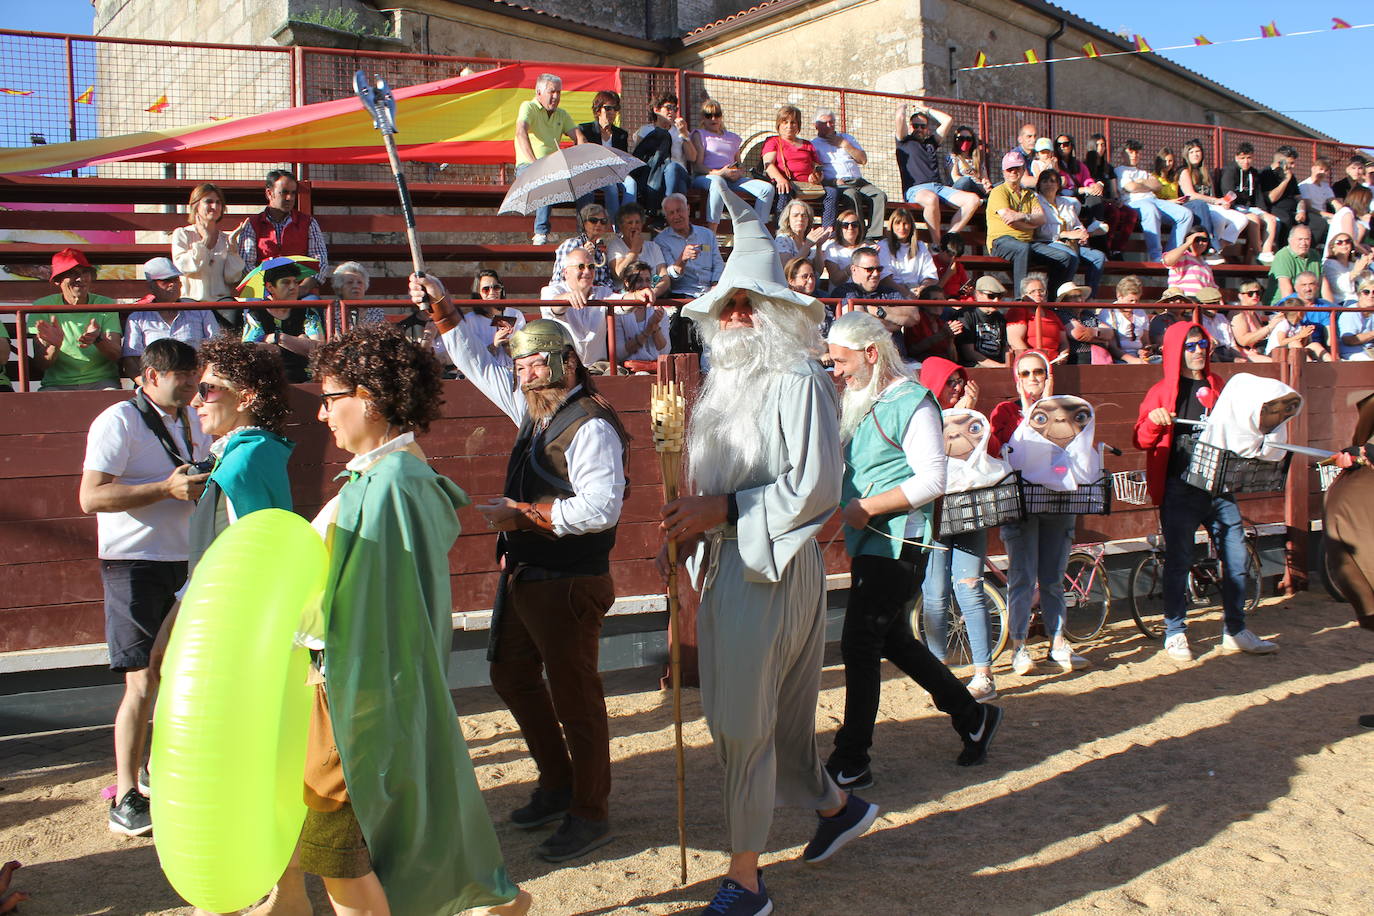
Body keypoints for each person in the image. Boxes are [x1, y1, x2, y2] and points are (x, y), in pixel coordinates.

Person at [658, 190, 877, 915]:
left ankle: (746, 881)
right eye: (728, 305)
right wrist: (689, 533)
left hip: (772, 565)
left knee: (741, 725)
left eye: (751, 302)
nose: (738, 315)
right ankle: (835, 808)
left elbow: (815, 488)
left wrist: (717, 512)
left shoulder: (797, 378)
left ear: (782, 309)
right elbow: (709, 489)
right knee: (775, 723)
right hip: (731, 565)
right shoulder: (723, 385)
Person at [303, 325, 531, 914]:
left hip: (358, 689)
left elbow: (372, 613)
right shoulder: (388, 474)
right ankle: (498, 903)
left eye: (331, 398)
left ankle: (497, 901)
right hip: (368, 682)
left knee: (338, 848)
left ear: (370, 397)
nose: (324, 414)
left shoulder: (390, 483)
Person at [416, 273, 629, 866]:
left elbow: (601, 508)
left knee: (576, 699)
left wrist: (526, 514)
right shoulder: (537, 409)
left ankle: (591, 811)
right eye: (522, 363)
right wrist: (441, 309)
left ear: (564, 363)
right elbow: (479, 366)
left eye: (536, 362)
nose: (524, 372)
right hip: (528, 573)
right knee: (511, 676)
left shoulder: (589, 424)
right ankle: (559, 784)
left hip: (569, 578)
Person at [822, 311, 1002, 790]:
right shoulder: (863, 399)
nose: (834, 370)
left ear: (871, 354)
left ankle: (852, 756)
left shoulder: (912, 400)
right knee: (893, 639)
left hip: (897, 540)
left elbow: (933, 480)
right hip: (876, 539)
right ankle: (972, 717)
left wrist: (864, 507)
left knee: (860, 643)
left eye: (840, 361)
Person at [78, 338, 211, 836]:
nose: (192, 386)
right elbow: (91, 497)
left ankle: (157, 772)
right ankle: (126, 793)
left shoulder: (192, 418)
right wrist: (165, 488)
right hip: (132, 562)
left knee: (178, 672)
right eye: (182, 377)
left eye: (195, 377)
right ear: (150, 377)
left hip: (185, 558)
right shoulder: (119, 420)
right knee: (141, 680)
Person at [1133, 322, 1281, 660]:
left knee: (1237, 556)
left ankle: (1235, 628)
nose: (1198, 350)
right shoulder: (1161, 391)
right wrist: (1155, 420)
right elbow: (1140, 438)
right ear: (1175, 351)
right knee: (1179, 560)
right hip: (1181, 487)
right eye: (1190, 345)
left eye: (1203, 344)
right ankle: (1175, 630)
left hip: (1220, 485)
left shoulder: (1219, 385)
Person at [987, 350, 1090, 675]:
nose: (1033, 379)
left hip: (1057, 504)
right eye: (1027, 373)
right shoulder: (1005, 411)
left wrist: (1049, 407)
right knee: (1021, 579)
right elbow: (995, 450)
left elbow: (1076, 450)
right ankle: (1019, 647)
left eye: (1039, 373)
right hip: (1021, 506)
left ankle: (1057, 642)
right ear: (1017, 378)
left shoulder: (1066, 410)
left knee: (1052, 580)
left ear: (1048, 377)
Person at [918, 356, 1003, 700]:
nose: (956, 389)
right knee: (935, 595)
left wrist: (971, 421)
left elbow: (991, 455)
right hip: (935, 514)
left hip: (969, 511)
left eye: (960, 381)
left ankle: (984, 673)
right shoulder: (922, 418)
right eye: (950, 382)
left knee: (969, 588)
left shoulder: (974, 419)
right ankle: (938, 672)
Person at [28, 247, 121, 390]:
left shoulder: (106, 304)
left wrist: (97, 339)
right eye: (72, 273)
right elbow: (41, 365)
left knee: (113, 399)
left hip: (102, 382)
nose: (80, 279)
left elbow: (116, 355)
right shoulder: (42, 306)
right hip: (56, 385)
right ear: (57, 281)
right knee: (43, 407)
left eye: (85, 272)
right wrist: (54, 345)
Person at [986, 152, 1074, 300]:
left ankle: (1053, 302)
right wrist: (1030, 223)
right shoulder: (998, 192)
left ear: (1023, 170)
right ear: (1003, 172)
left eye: (1017, 168)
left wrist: (1022, 216)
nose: (1014, 172)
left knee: (1064, 257)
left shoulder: (1030, 195)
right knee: (1023, 249)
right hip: (1001, 241)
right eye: (1010, 169)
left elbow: (1041, 219)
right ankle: (1021, 300)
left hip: (1027, 243)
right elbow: (1009, 218)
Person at [894, 102, 980, 248]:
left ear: (927, 129)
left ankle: (949, 237)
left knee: (973, 200)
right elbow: (899, 118)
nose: (919, 129)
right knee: (930, 198)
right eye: (916, 125)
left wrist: (927, 110)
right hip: (916, 190)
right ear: (910, 127)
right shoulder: (904, 142)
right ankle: (937, 243)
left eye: (923, 126)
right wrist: (903, 106)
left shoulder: (931, 143)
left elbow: (948, 121)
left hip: (939, 188)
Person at [121, 257, 219, 378]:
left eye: (176, 279)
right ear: (151, 286)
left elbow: (216, 349)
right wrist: (147, 385)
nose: (173, 284)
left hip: (195, 380)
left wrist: (202, 380)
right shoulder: (137, 317)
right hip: (154, 383)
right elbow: (131, 360)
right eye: (166, 281)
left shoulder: (201, 311)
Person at [515, 73, 584, 245]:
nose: (556, 96)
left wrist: (578, 159)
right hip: (527, 167)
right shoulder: (528, 107)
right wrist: (534, 163)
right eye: (552, 92)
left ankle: (585, 232)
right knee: (546, 176)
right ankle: (540, 232)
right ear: (539, 92)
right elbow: (520, 132)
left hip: (554, 168)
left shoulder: (562, 114)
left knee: (585, 184)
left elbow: (579, 137)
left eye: (559, 92)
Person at [236, 169, 328, 294]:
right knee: (252, 306)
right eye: (284, 192)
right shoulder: (252, 224)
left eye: (293, 193)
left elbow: (320, 263)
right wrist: (271, 291)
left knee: (313, 308)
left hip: (300, 290)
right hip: (264, 291)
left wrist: (302, 289)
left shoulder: (308, 223)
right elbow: (246, 265)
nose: (289, 198)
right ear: (269, 193)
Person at [691, 98, 775, 232]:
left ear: (721, 116)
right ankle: (712, 230)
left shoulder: (733, 138)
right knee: (718, 182)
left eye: (717, 114)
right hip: (707, 177)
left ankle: (759, 232)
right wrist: (719, 173)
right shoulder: (700, 135)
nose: (713, 118)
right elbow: (697, 166)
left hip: (732, 179)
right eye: (708, 115)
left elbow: (739, 163)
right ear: (703, 117)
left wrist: (738, 172)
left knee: (767, 189)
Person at [241, 259, 325, 383]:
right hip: (269, 381)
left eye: (296, 282)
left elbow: (319, 349)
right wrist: (300, 343)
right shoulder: (257, 314)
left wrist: (278, 338)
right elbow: (249, 349)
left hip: (306, 379)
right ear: (270, 287)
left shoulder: (308, 312)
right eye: (285, 283)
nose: (293, 287)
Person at [1115, 139, 1194, 262]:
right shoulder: (1120, 170)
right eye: (1131, 152)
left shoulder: (1142, 172)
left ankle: (1171, 254)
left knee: (1185, 214)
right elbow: (1131, 187)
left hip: (1154, 200)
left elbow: (1157, 185)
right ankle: (1156, 255)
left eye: (1137, 152)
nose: (1134, 155)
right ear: (1122, 154)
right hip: (1135, 203)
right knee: (1151, 210)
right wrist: (1145, 184)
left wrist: (1140, 183)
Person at [763, 104, 841, 226]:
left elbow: (818, 168)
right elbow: (768, 165)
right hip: (788, 184)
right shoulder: (773, 142)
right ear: (779, 124)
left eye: (793, 122)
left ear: (798, 125)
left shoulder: (807, 145)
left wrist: (817, 177)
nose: (789, 126)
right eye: (785, 122)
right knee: (784, 191)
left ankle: (828, 231)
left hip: (809, 186)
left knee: (831, 192)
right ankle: (781, 229)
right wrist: (780, 179)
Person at [813, 108, 885, 239]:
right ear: (816, 126)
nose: (830, 126)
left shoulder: (847, 138)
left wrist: (844, 144)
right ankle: (860, 235)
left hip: (858, 180)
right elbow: (816, 173)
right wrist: (832, 182)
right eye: (825, 123)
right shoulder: (814, 145)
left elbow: (863, 159)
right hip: (840, 183)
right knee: (852, 195)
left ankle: (874, 235)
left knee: (879, 196)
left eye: (832, 122)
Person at [1031, 168, 1103, 297]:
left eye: (1053, 181)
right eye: (1045, 181)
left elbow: (1076, 223)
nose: (1049, 184)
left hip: (1072, 242)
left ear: (1058, 185)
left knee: (1098, 257)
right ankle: (1059, 296)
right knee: (1070, 256)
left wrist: (1081, 233)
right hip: (1048, 242)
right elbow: (1039, 230)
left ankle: (1089, 300)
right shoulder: (1035, 201)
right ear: (1039, 185)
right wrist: (1064, 234)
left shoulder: (1065, 202)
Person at [172, 182, 246, 306]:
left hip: (221, 302)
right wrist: (204, 241)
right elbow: (183, 267)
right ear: (196, 206)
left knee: (233, 312)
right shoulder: (182, 234)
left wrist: (233, 251)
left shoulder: (225, 239)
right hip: (191, 301)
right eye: (209, 202)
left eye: (218, 202)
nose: (215, 206)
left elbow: (232, 278)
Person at [540, 247, 615, 368]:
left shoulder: (603, 292)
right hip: (563, 368)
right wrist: (567, 298)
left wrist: (637, 295)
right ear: (566, 272)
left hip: (596, 369)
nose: (587, 271)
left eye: (591, 267)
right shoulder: (550, 291)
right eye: (581, 266)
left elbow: (622, 303)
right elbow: (554, 306)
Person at [633, 91, 697, 224]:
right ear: (656, 110)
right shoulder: (645, 130)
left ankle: (666, 210)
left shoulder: (679, 131)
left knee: (672, 167)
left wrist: (684, 134)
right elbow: (639, 157)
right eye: (668, 108)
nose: (672, 112)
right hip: (655, 177)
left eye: (675, 109)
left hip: (679, 174)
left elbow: (692, 157)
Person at [1179, 139, 1250, 256]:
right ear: (1186, 155)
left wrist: (1222, 203)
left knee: (1242, 219)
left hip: (1211, 206)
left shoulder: (1205, 172)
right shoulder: (1184, 171)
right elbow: (1191, 195)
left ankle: (1216, 249)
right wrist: (1217, 200)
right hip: (1195, 207)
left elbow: (1212, 195)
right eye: (1191, 152)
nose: (1195, 154)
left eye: (1198, 151)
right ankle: (1211, 248)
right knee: (1219, 219)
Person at [1154, 146, 1222, 260]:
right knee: (1198, 205)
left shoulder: (1173, 179)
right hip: (1163, 208)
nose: (1167, 164)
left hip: (1178, 206)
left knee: (1201, 207)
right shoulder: (1153, 178)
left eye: (1170, 161)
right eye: (1164, 161)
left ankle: (1208, 247)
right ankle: (1209, 245)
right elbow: (1153, 200)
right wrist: (1172, 201)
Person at [575, 89, 633, 221]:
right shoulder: (585, 130)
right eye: (607, 108)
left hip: (616, 172)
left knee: (632, 184)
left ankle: (626, 221)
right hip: (594, 173)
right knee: (611, 187)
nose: (612, 112)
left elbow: (623, 158)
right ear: (597, 111)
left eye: (615, 108)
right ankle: (616, 225)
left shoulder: (621, 134)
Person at [655, 192, 725, 298]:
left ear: (688, 209)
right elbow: (670, 276)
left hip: (710, 291)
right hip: (682, 293)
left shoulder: (707, 234)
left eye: (679, 210)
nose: (676, 216)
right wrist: (682, 260)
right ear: (666, 217)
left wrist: (716, 284)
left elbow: (718, 263)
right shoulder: (661, 241)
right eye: (671, 213)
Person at [1219, 143, 1279, 263]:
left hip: (1250, 207)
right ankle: (1258, 252)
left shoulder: (1254, 173)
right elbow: (1228, 192)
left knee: (1272, 219)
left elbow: (1257, 195)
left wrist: (1263, 210)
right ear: (1236, 157)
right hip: (1236, 207)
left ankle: (1266, 252)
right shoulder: (1230, 171)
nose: (1246, 161)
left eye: (1249, 158)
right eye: (1242, 158)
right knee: (1254, 219)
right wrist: (1230, 204)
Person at [1082, 133, 1138, 259]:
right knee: (1114, 213)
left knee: (1131, 214)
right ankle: (1106, 248)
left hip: (1109, 201)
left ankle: (1117, 250)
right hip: (1096, 203)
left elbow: (1113, 191)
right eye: (1097, 145)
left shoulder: (1108, 168)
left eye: (1103, 145)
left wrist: (1116, 200)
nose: (1101, 148)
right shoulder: (1084, 166)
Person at [606, 202, 671, 298]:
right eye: (629, 223)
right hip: (626, 298)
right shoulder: (615, 245)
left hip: (651, 296)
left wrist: (654, 292)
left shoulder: (653, 247)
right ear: (621, 226)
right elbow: (619, 273)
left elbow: (664, 277)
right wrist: (634, 250)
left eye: (637, 222)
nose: (634, 226)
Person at [549, 203, 617, 292]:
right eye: (593, 220)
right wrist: (585, 256)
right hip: (569, 296)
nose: (599, 224)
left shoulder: (600, 253)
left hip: (596, 299)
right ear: (584, 223)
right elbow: (562, 276)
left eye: (603, 221)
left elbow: (607, 281)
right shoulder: (572, 244)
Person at [1006, 273, 1068, 360]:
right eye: (1032, 291)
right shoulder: (1019, 310)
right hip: (1031, 364)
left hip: (1055, 363)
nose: (1038, 294)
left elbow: (1064, 342)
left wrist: (1063, 355)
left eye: (1041, 290)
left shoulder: (1052, 314)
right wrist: (1034, 360)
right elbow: (1015, 340)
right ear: (1024, 295)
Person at [877, 208, 937, 297]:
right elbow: (885, 278)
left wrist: (922, 288)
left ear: (911, 226)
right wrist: (905, 292)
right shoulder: (883, 245)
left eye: (905, 223)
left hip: (917, 290)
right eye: (898, 223)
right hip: (893, 290)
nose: (902, 228)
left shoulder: (920, 246)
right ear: (891, 226)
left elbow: (930, 275)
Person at [955, 276, 1010, 368]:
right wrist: (999, 366)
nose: (996, 300)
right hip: (974, 365)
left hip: (998, 365)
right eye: (991, 296)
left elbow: (1005, 348)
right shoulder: (967, 314)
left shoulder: (1000, 318)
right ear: (978, 294)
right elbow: (968, 352)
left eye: (999, 296)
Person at [1098, 275, 1151, 363]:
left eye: (1137, 301)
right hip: (1118, 359)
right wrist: (1134, 361)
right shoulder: (1108, 313)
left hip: (1139, 357)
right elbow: (1111, 347)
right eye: (1131, 301)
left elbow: (1145, 341)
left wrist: (1145, 351)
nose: (1134, 304)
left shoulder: (1140, 312)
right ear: (1119, 296)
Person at [1266, 224, 1323, 305]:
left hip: (1312, 304)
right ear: (1290, 240)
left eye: (1307, 239)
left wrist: (1331, 309)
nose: (1303, 243)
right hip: (1284, 306)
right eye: (1300, 239)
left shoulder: (1315, 255)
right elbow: (1286, 290)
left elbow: (1324, 285)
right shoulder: (1283, 255)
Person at [772, 198, 830, 276]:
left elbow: (819, 271)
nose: (800, 219)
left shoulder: (810, 238)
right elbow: (786, 269)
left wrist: (819, 246)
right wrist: (807, 245)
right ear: (788, 220)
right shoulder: (783, 239)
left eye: (804, 216)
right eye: (795, 216)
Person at [1230, 280, 1278, 362]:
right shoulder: (1238, 313)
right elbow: (1243, 341)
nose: (1255, 296)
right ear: (1240, 296)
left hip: (1259, 350)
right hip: (1245, 354)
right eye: (1250, 293)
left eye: (1258, 293)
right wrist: (1269, 327)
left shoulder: (1254, 313)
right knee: (1275, 362)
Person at [1163, 229, 1219, 299]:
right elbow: (1168, 260)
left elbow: (1212, 287)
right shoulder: (1182, 256)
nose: (1200, 243)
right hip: (1182, 299)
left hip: (1201, 301)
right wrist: (1187, 243)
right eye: (1196, 239)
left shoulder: (1205, 265)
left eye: (1204, 240)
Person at [821, 208, 870, 287]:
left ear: (859, 229)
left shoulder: (866, 248)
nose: (850, 228)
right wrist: (857, 261)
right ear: (840, 229)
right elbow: (835, 280)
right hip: (841, 293)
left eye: (854, 225)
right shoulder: (832, 248)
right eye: (845, 225)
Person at [1322, 232, 1372, 304]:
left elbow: (1366, 284)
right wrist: (1356, 271)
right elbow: (1338, 287)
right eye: (1339, 242)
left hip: (1361, 301)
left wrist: (1365, 269)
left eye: (1347, 241)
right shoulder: (1329, 264)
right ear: (1332, 248)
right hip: (1342, 301)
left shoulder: (1353, 264)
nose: (1344, 244)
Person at [1326, 186, 1372, 260]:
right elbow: (1350, 241)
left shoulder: (1348, 213)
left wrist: (1364, 246)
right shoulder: (1347, 214)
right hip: (1336, 259)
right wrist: (1368, 253)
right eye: (1367, 202)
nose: (1367, 206)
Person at [947, 125, 993, 197]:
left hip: (979, 188)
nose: (965, 141)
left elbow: (985, 178)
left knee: (1000, 187)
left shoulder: (978, 158)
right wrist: (973, 183)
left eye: (968, 139)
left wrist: (986, 184)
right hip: (962, 189)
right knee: (966, 181)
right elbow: (955, 177)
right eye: (961, 139)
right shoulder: (953, 156)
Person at [1336, 276, 1374, 361]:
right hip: (1352, 352)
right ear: (1359, 295)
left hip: (1370, 350)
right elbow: (1349, 340)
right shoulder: (1351, 312)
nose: (1371, 295)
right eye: (1366, 292)